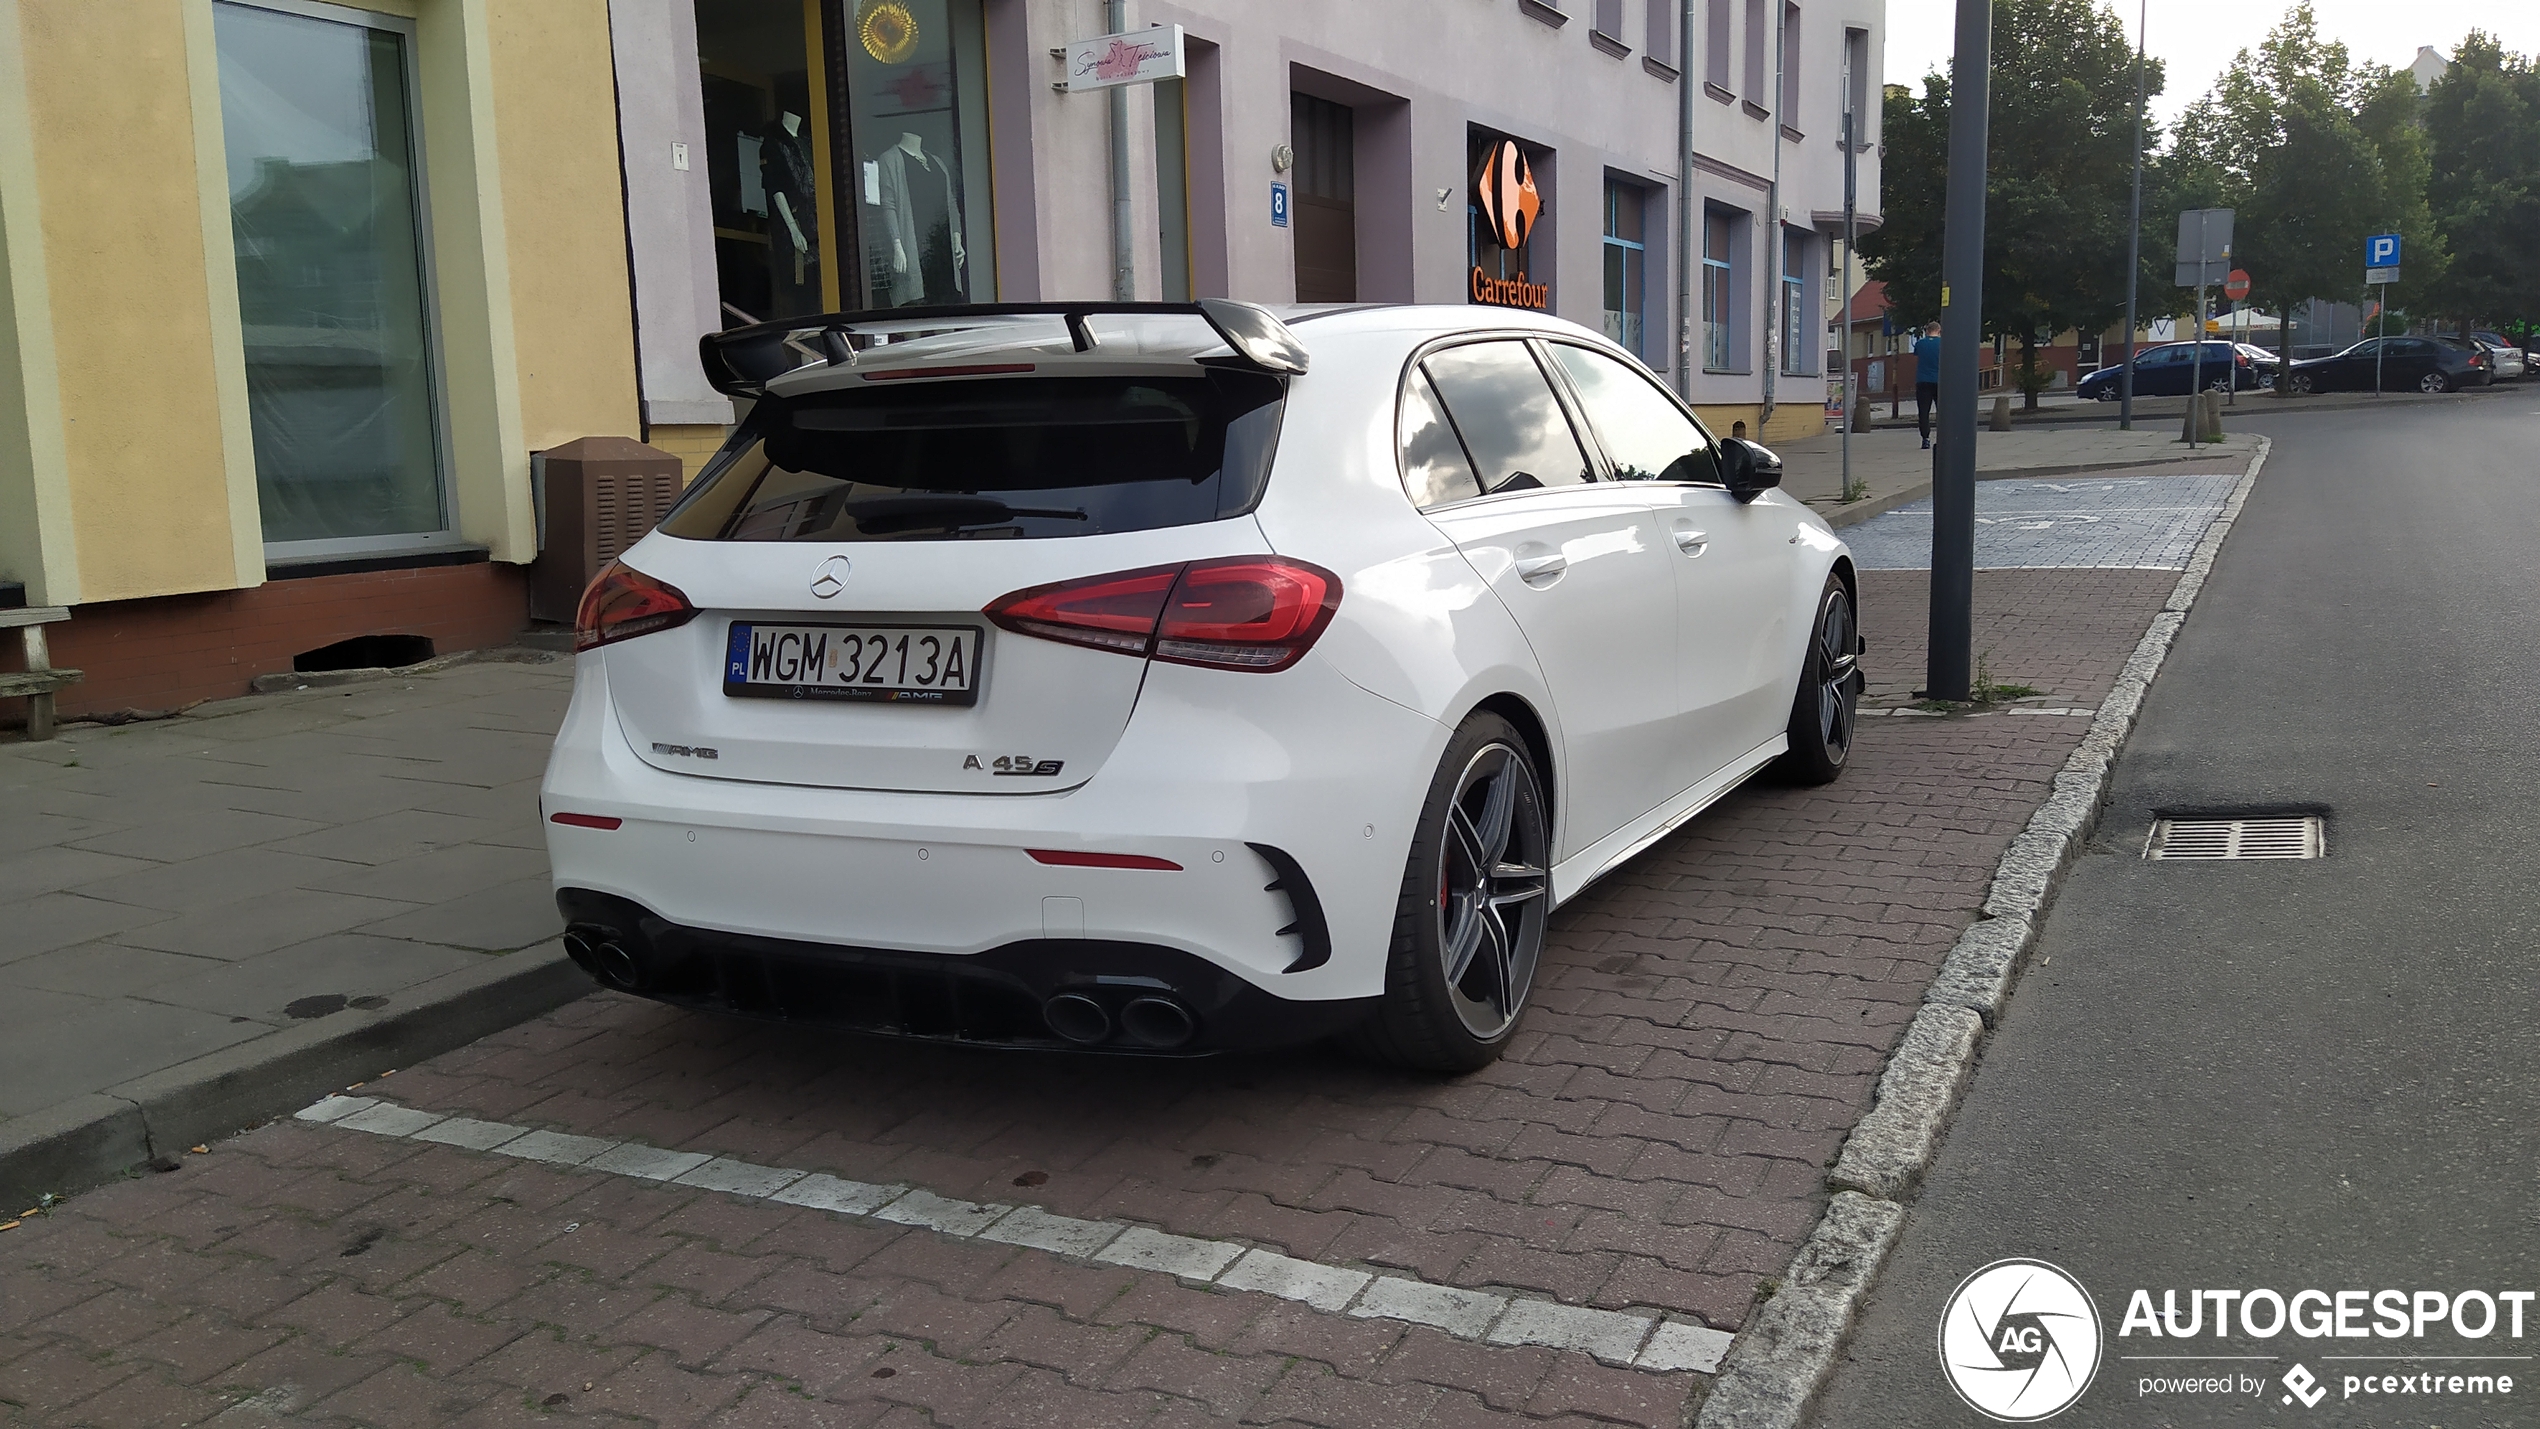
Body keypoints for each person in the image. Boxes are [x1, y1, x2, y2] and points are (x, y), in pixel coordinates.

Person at [1913, 321, 1943, 448]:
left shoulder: (1920, 344)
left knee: (1924, 411)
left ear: (1927, 331)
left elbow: (1916, 354)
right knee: (1942, 411)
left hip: (1923, 381)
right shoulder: (1943, 343)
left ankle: (1925, 439)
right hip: (1940, 381)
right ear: (1939, 331)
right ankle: (1942, 437)